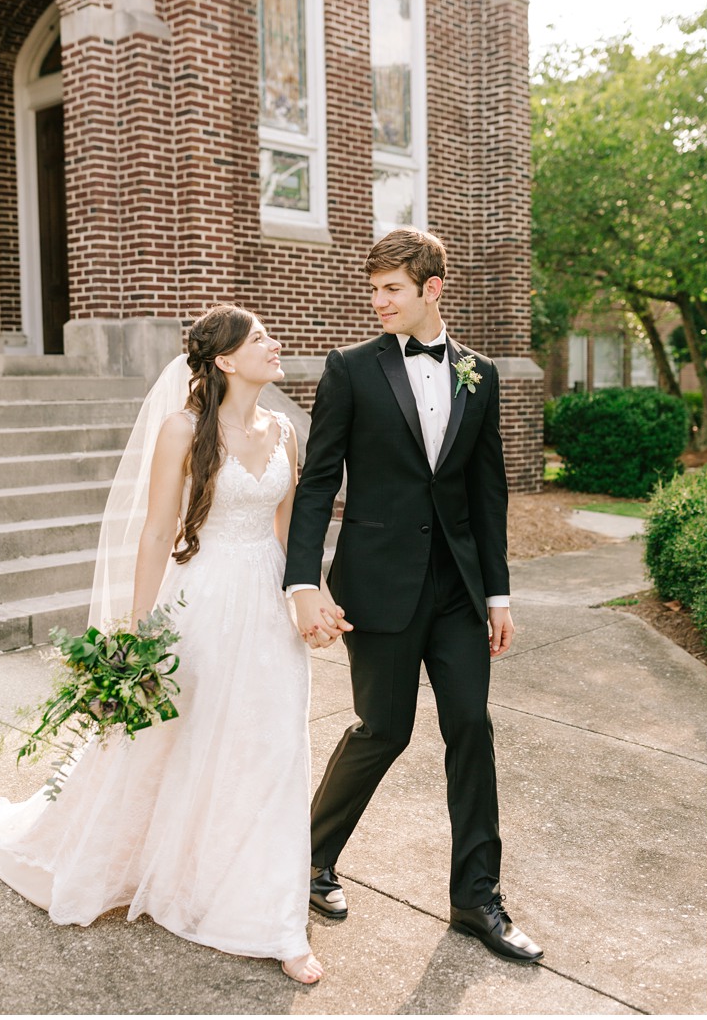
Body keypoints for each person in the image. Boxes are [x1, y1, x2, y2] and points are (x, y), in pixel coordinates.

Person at [0, 305, 326, 984]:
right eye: (260, 339)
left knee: (274, 745)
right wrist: (136, 629)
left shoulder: (284, 430)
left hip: (266, 603)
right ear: (224, 359)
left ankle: (275, 916)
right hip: (200, 601)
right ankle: (175, 868)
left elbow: (290, 534)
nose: (275, 343)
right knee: (180, 740)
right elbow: (155, 529)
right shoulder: (182, 430)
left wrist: (311, 599)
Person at [283, 226, 542, 964]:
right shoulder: (350, 369)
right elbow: (318, 482)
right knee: (384, 728)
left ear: (432, 289)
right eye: (373, 289)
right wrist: (303, 580)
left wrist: (498, 593)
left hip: (458, 590)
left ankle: (476, 898)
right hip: (379, 584)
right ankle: (309, 855)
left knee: (471, 726)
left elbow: (486, 492)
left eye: (390, 288)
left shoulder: (480, 375)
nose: (378, 301)